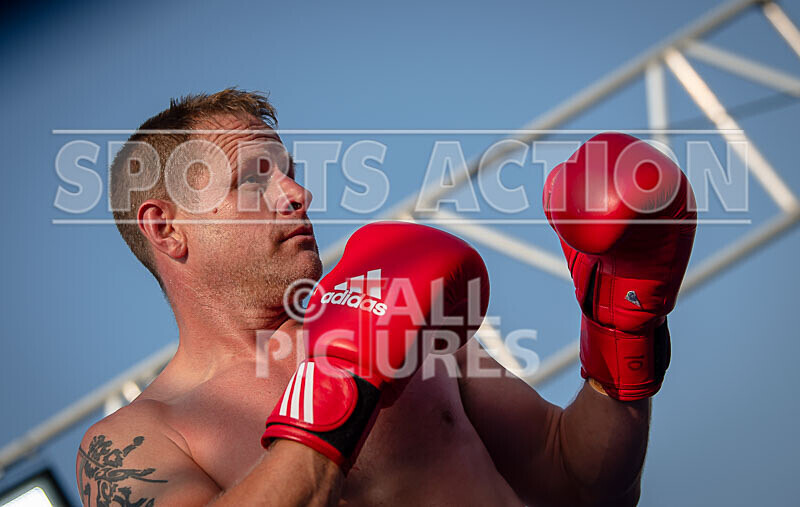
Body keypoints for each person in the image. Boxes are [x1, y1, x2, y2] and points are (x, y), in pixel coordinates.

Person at [76, 88, 695, 506]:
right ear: (166, 228)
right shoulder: (139, 437)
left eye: (288, 172)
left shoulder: (393, 307)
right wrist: (343, 382)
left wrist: (622, 327)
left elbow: (576, 479)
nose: (296, 195)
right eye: (255, 178)